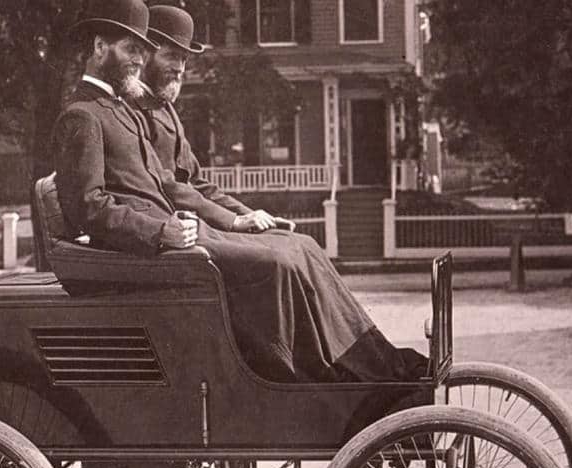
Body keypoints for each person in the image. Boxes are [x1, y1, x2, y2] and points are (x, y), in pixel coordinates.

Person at [54, 0, 427, 383]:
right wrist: (161, 231)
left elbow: (167, 182)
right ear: (100, 47)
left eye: (143, 50)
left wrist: (237, 218)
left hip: (175, 235)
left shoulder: (118, 110)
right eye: (132, 49)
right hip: (154, 252)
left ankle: (369, 361)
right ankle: (311, 378)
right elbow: (89, 206)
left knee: (298, 246)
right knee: (277, 264)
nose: (139, 59)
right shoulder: (83, 115)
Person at [132, 5, 280, 233]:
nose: (179, 68)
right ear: (144, 55)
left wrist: (246, 214)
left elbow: (198, 183)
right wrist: (232, 221)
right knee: (280, 257)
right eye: (171, 56)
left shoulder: (166, 109)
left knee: (295, 242)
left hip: (191, 221)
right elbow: (165, 184)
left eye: (183, 59)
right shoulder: (131, 109)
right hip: (168, 229)